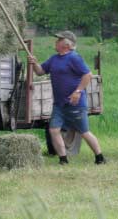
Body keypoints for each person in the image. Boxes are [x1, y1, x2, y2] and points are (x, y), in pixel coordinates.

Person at [28, 31, 106, 165]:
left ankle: (100, 157)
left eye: (58, 40)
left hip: (75, 104)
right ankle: (63, 159)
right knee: (53, 130)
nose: (55, 42)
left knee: (84, 132)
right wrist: (34, 63)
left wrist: (78, 91)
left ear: (66, 44)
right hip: (59, 105)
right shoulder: (54, 59)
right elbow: (40, 71)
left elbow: (87, 75)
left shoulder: (74, 58)